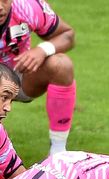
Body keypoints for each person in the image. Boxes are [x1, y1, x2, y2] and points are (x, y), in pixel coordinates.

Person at [0, 0, 76, 155]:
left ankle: (58, 152)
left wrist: (42, 50)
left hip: (19, 76)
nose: (0, 7)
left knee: (61, 65)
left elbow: (67, 35)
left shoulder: (27, 7)